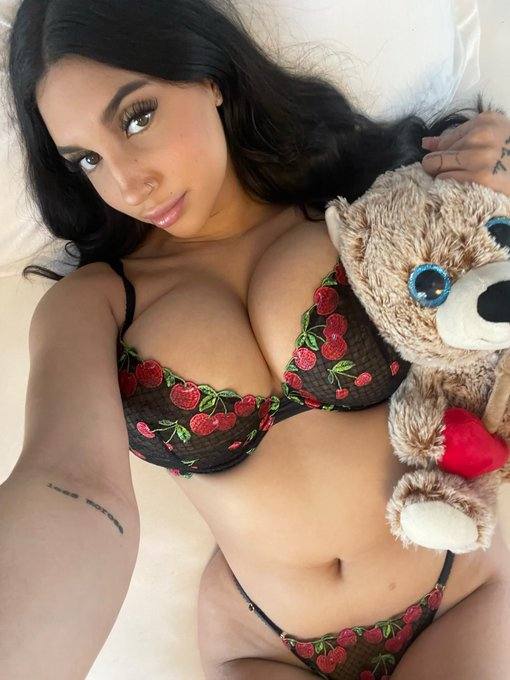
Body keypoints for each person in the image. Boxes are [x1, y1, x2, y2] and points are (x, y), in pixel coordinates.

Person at [3, 1, 510, 678]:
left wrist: (502, 175)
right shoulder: (93, 304)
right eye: (87, 159)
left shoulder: (369, 207)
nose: (128, 183)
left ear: (208, 76)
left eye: (137, 118)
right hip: (263, 646)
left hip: (458, 595)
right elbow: (69, 480)